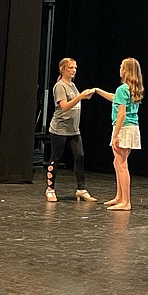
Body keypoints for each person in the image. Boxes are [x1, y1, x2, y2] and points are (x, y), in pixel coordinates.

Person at [94, 58, 144, 211]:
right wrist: (98, 91)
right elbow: (115, 99)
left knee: (121, 165)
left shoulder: (122, 88)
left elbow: (121, 114)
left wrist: (115, 135)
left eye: (122, 66)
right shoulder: (129, 88)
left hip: (124, 128)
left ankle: (126, 202)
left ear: (126, 70)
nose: (119, 69)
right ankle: (119, 196)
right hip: (131, 127)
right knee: (118, 163)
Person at [45, 58, 96, 202]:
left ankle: (81, 189)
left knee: (79, 156)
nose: (74, 70)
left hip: (74, 129)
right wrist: (81, 96)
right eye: (70, 68)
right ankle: (50, 189)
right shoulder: (60, 86)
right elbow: (64, 106)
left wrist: (85, 95)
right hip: (60, 129)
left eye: (75, 68)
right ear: (62, 69)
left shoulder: (72, 85)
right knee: (56, 157)